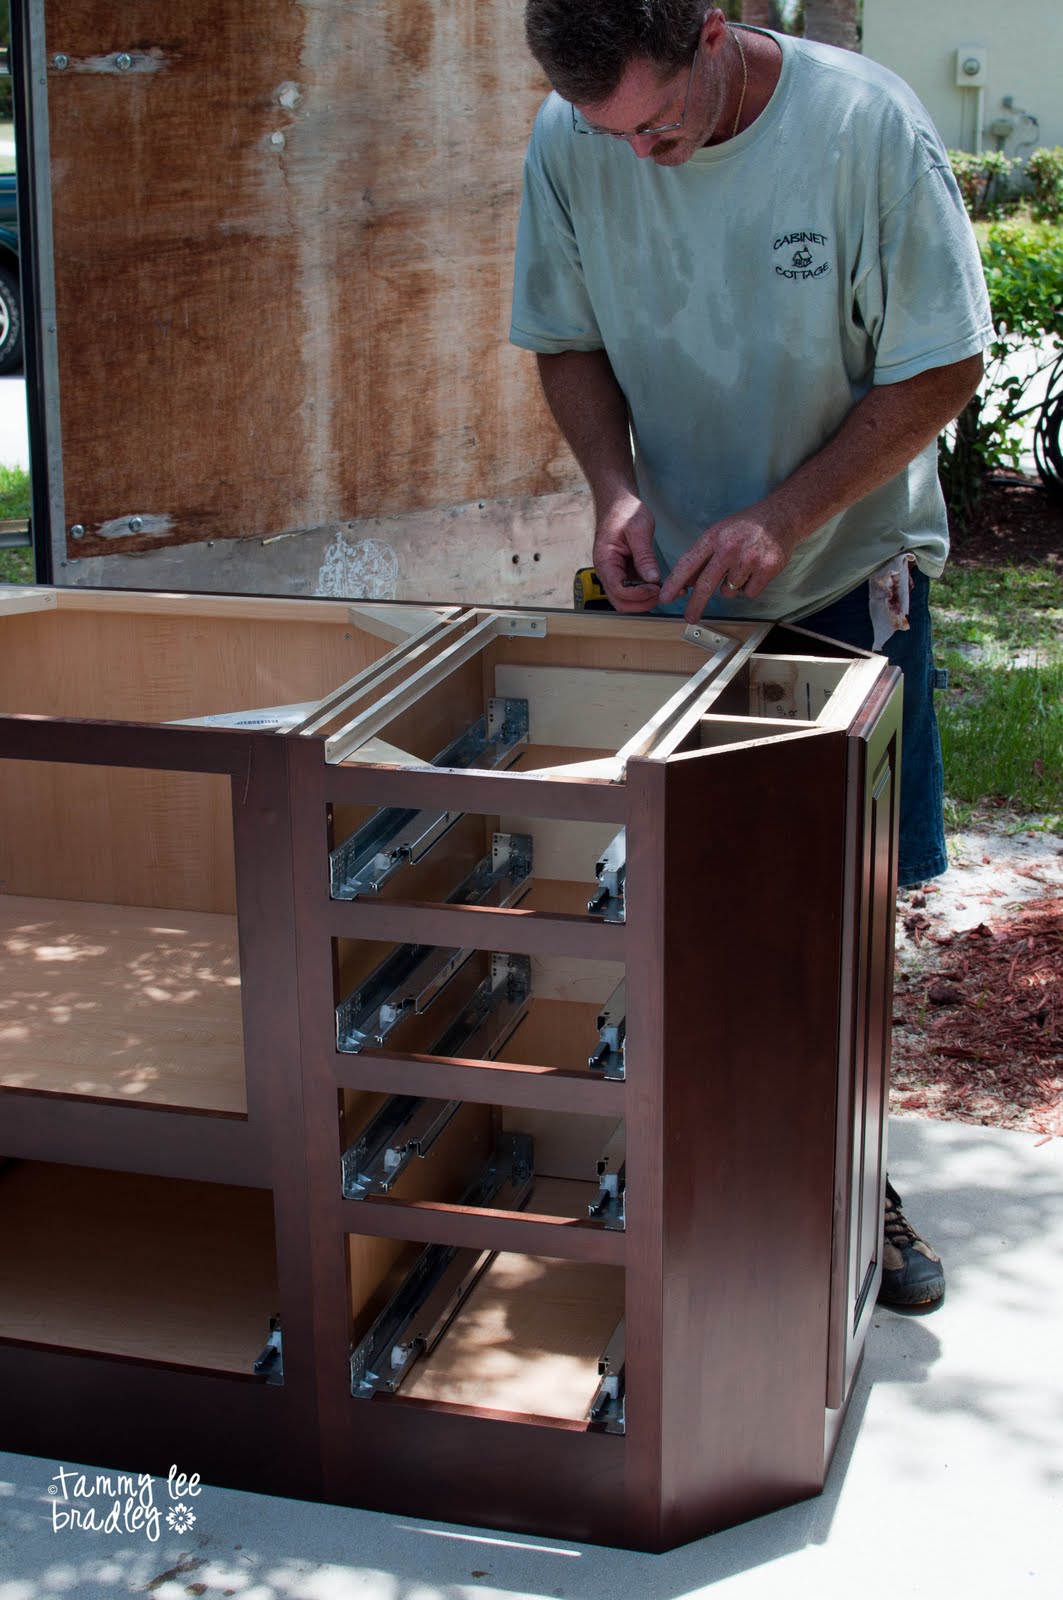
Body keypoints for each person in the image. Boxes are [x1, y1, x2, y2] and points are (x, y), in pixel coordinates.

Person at [510, 2, 994, 1309]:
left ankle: (849, 1183)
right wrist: (613, 491)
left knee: (836, 908)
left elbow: (944, 364)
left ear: (716, 37)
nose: (643, 162)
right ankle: (671, 1173)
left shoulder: (865, 130)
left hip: (842, 572)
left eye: (660, 128)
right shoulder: (574, 137)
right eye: (615, 139)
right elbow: (566, 339)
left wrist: (787, 514)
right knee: (650, 895)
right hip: (667, 586)